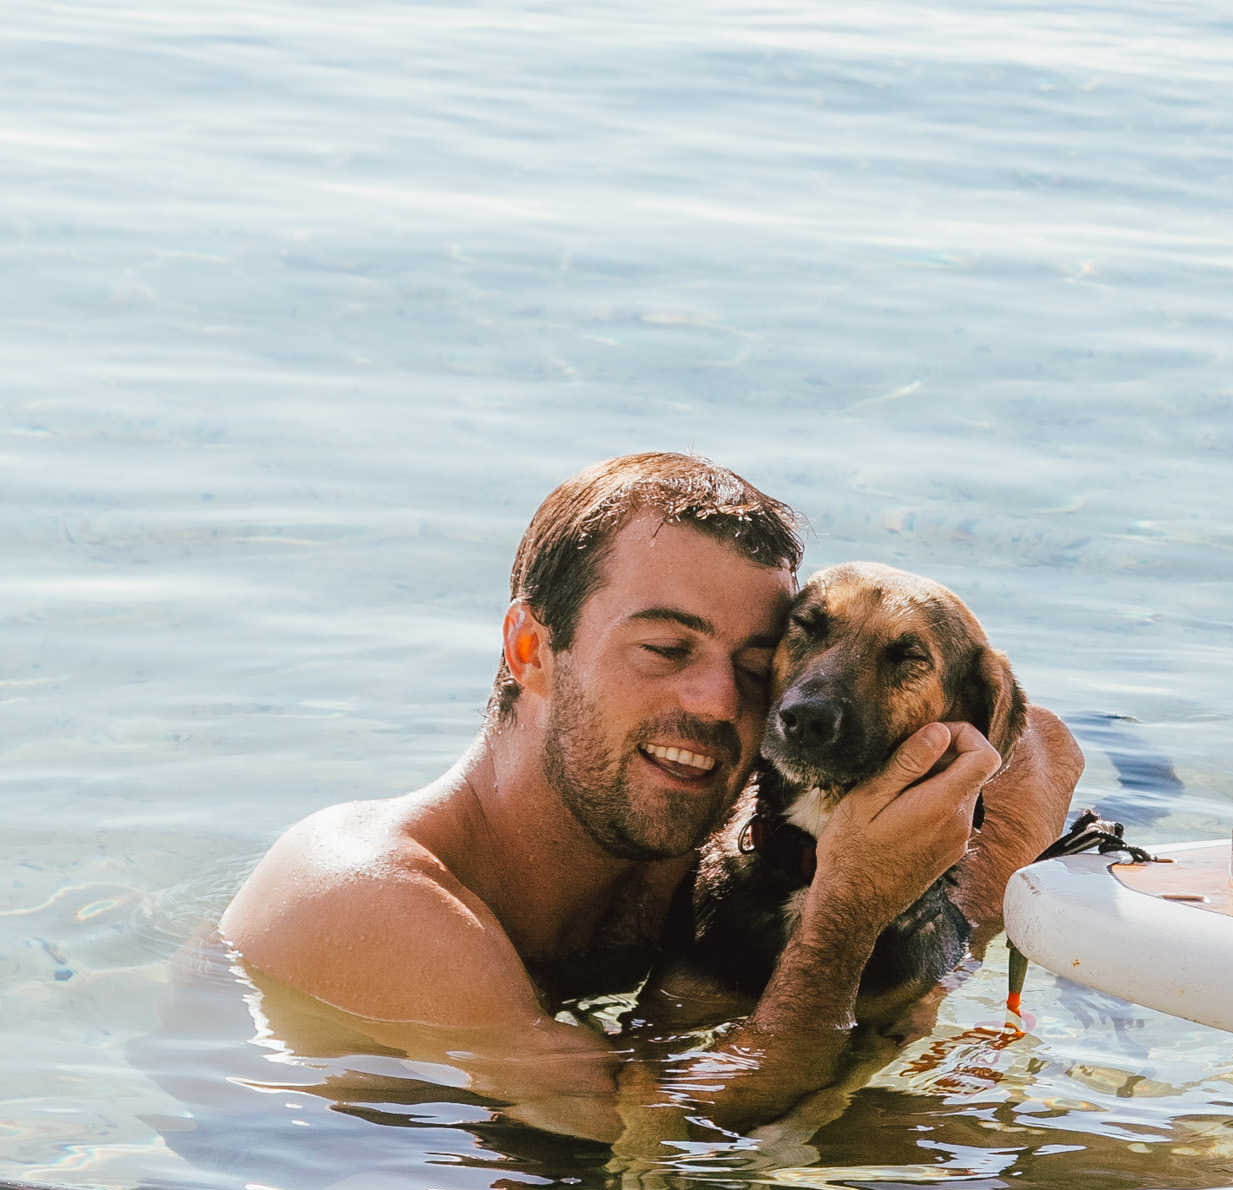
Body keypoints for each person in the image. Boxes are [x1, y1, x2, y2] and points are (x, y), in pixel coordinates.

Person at [222, 453, 1082, 1146]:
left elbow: (1041, 741)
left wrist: (942, 928)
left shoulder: (688, 811)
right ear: (530, 648)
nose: (719, 702)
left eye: (756, 664)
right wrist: (850, 910)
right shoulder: (365, 895)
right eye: (666, 649)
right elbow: (660, 1138)